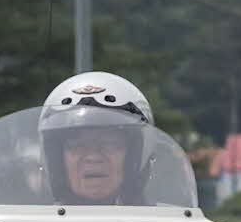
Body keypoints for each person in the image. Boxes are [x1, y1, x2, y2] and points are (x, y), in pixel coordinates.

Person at [38, 71, 160, 205]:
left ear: (135, 154)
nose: (93, 157)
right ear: (56, 159)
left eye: (109, 143)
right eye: (77, 145)